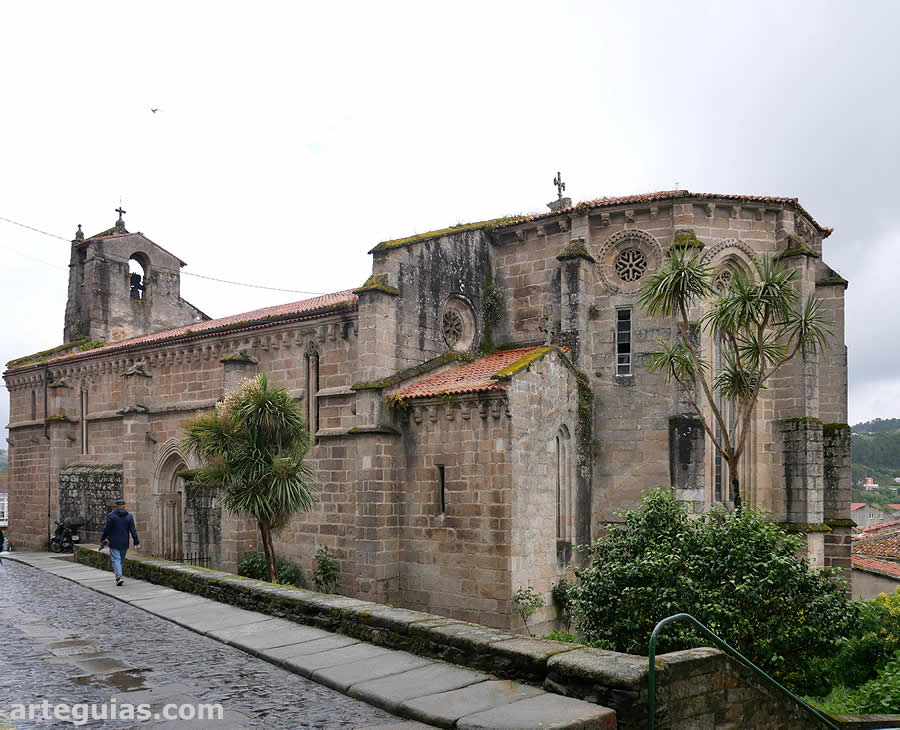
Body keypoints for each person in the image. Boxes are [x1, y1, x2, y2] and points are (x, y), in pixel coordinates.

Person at [100, 499, 141, 586]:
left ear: (116, 506)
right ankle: (119, 576)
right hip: (124, 542)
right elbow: (133, 530)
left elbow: (106, 529)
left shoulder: (111, 516)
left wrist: (103, 539)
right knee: (120, 560)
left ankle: (119, 577)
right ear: (124, 506)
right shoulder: (129, 516)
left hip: (114, 541)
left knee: (116, 560)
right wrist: (136, 542)